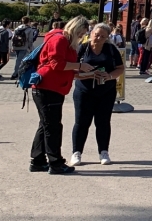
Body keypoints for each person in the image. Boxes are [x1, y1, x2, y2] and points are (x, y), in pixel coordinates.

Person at [30, 16, 95, 174]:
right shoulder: (60, 40)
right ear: (75, 29)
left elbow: (60, 66)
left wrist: (81, 72)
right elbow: (56, 64)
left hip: (50, 86)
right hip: (48, 88)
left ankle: (38, 160)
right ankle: (56, 162)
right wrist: (80, 66)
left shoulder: (63, 40)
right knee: (53, 126)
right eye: (81, 34)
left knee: (46, 125)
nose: (81, 37)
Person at [69, 22, 124, 167]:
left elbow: (120, 68)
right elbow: (71, 70)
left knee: (103, 123)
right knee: (81, 122)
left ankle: (103, 152)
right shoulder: (82, 48)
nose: (98, 38)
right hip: (84, 91)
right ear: (91, 33)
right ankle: (76, 153)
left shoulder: (111, 49)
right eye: (96, 34)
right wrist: (88, 74)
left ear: (107, 38)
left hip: (106, 91)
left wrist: (109, 76)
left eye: (102, 36)